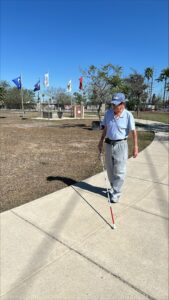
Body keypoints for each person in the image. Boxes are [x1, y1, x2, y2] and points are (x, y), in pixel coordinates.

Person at [98, 92, 138, 203]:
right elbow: (105, 129)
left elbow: (134, 132)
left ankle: (116, 193)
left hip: (121, 145)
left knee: (120, 170)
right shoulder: (108, 113)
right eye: (113, 104)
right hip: (109, 144)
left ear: (122, 104)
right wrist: (101, 141)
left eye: (116, 104)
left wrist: (135, 147)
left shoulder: (128, 115)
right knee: (110, 169)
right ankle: (113, 187)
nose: (114, 107)